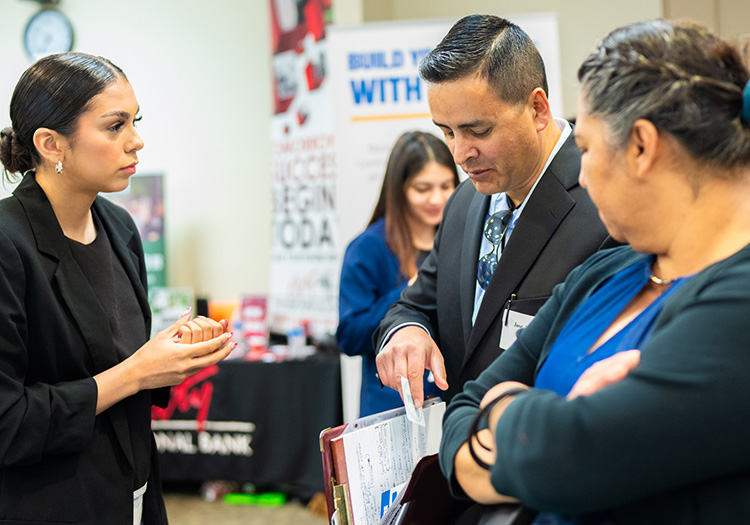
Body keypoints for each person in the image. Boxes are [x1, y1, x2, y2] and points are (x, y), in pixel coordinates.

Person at [440, 19, 750, 524]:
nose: (580, 174)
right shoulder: (607, 272)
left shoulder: (737, 303)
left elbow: (572, 459)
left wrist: (501, 411)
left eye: (585, 148)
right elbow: (465, 407)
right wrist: (539, 427)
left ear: (642, 147)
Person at [0, 53, 235, 525]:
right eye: (115, 126)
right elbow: (9, 422)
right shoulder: (8, 243)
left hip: (135, 490)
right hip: (49, 505)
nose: (136, 140)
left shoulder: (119, 226)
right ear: (51, 143)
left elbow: (116, 361)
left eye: (135, 121)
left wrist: (170, 357)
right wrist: (136, 372)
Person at [373, 15, 611, 408]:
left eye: (478, 131)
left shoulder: (603, 203)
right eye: (447, 132)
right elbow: (414, 304)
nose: (460, 154)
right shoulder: (464, 202)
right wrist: (406, 331)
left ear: (537, 109)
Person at [337, 131, 459, 417]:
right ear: (400, 188)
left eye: (446, 186)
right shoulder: (368, 248)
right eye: (423, 188)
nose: (436, 198)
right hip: (392, 407)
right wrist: (410, 293)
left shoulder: (460, 239)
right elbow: (349, 336)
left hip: (452, 402)